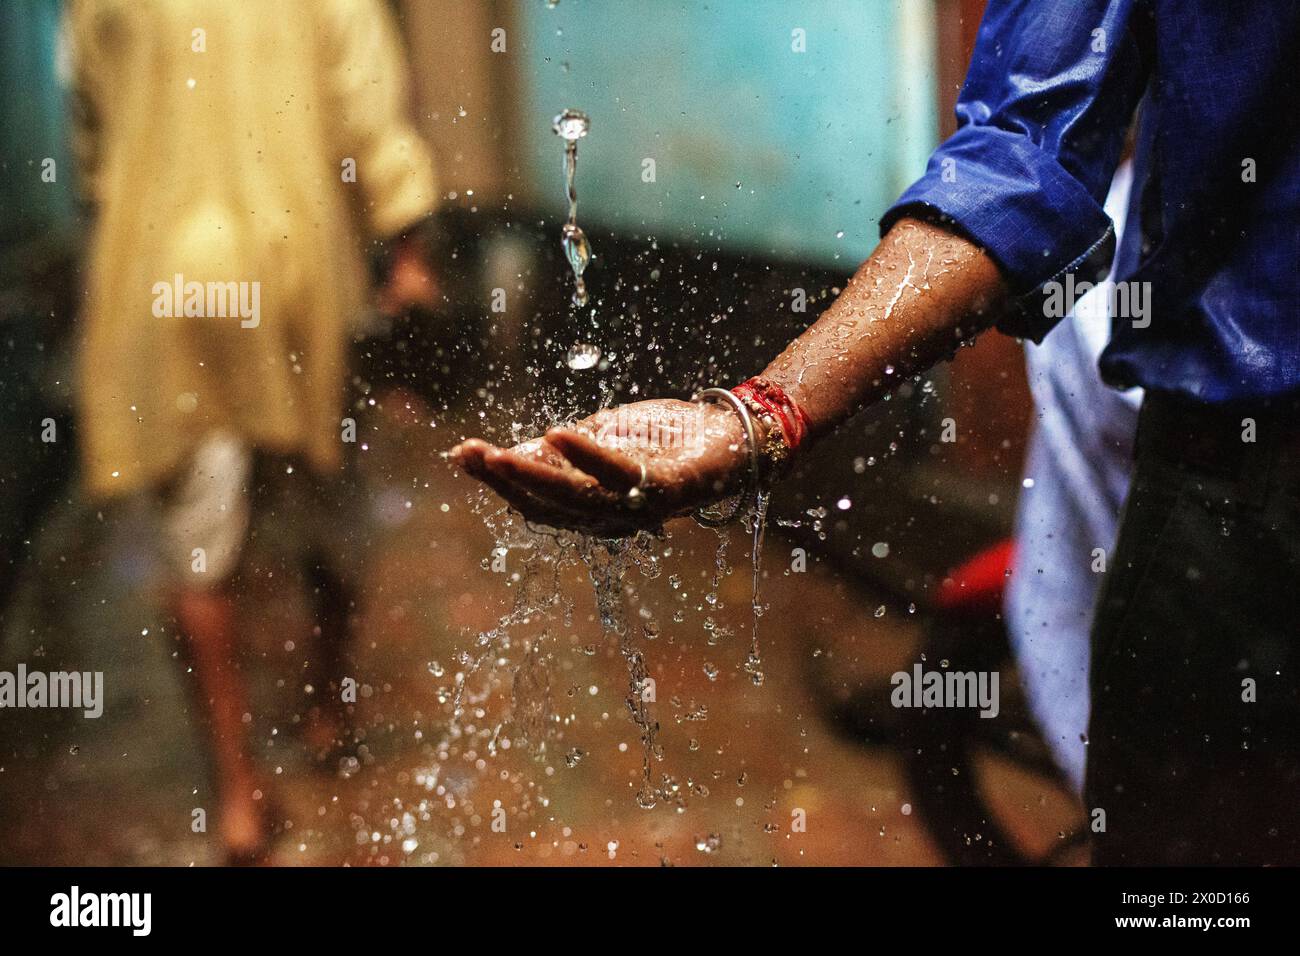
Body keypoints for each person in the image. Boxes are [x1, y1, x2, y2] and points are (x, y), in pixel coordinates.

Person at [454, 0, 1300, 864]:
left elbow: (1021, 155)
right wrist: (764, 412)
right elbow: (1020, 157)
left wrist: (760, 416)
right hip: (1236, 496)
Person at [67, 0, 440, 862]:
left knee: (196, 548)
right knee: (332, 503)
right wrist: (408, 247)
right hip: (298, 268)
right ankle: (330, 709)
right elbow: (372, 110)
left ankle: (237, 793)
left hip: (163, 276)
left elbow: (91, 139)